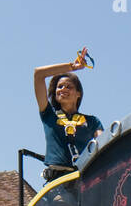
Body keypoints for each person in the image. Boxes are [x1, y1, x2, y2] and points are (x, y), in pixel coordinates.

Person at [33, 48, 102, 178]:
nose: (63, 89)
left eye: (68, 86)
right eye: (60, 87)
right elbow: (38, 74)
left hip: (85, 181)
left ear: (78, 94)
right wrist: (71, 67)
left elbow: (104, 144)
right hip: (58, 184)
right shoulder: (49, 115)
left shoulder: (92, 121)